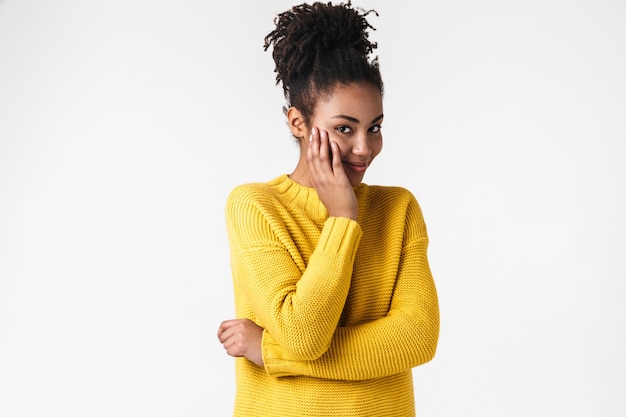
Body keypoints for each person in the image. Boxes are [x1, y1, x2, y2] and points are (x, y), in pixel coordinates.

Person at [217, 2, 439, 416]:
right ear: (297, 122)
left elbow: (416, 338)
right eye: (344, 128)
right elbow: (304, 334)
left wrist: (270, 351)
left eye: (374, 127)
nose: (364, 148)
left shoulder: (399, 208)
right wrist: (341, 218)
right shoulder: (255, 206)